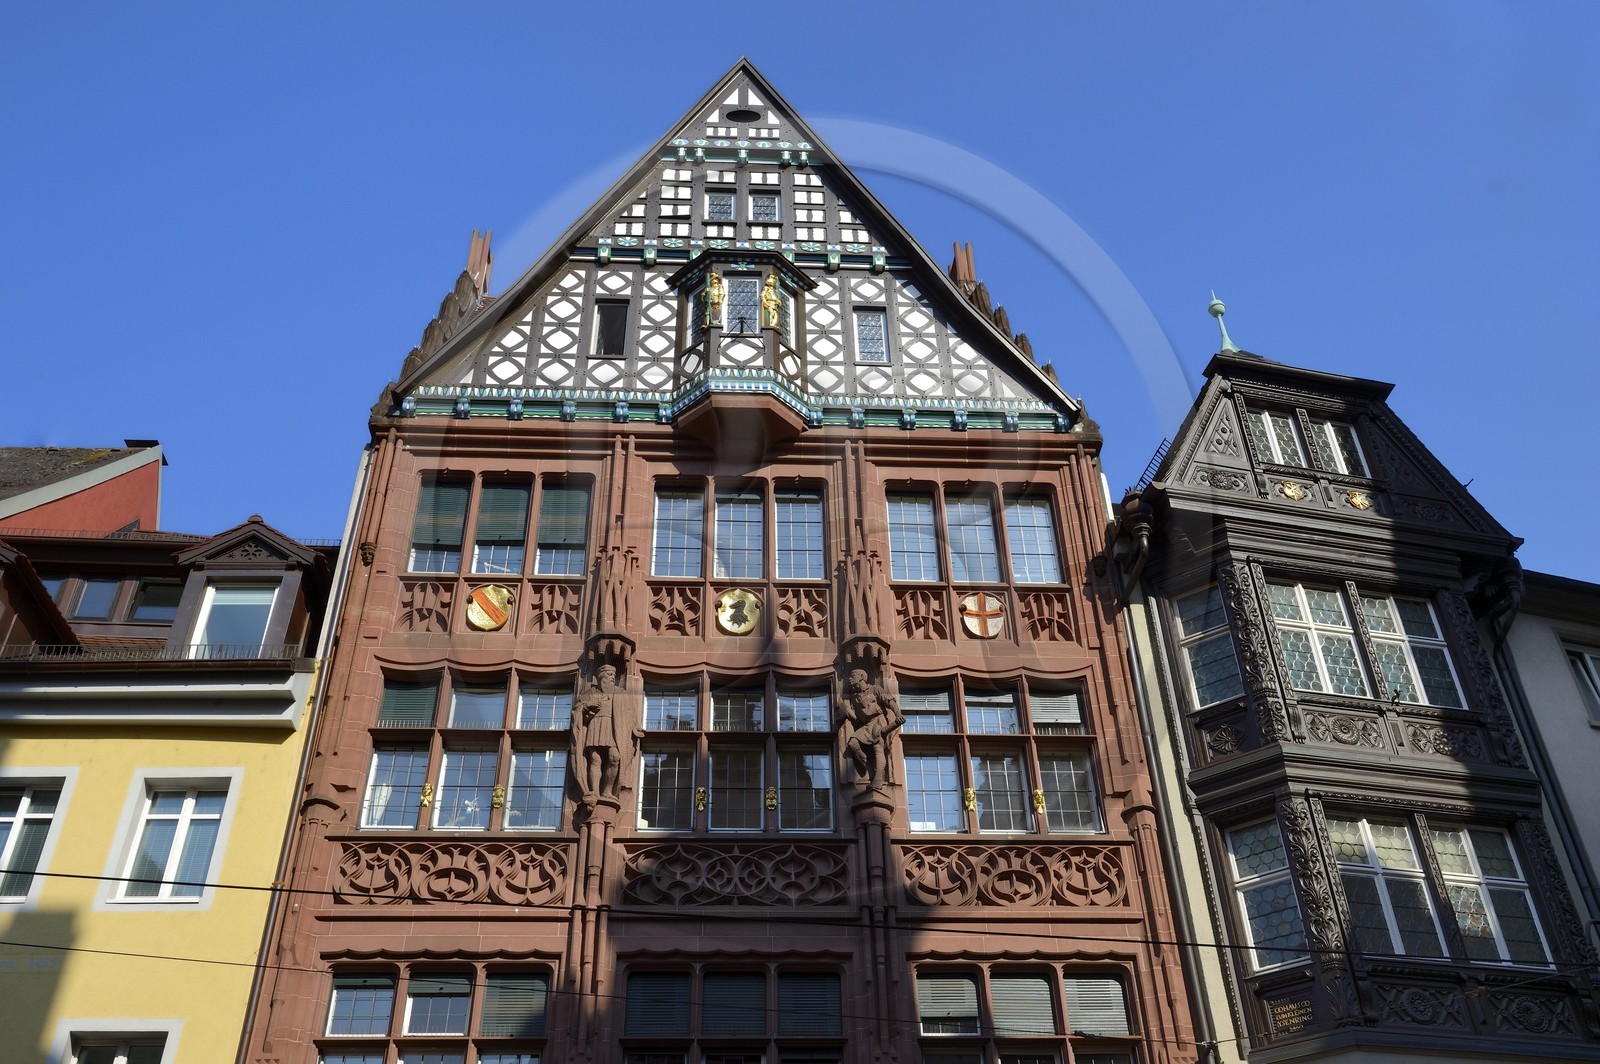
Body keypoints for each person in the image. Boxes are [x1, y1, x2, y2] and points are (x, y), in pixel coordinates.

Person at [841, 667, 903, 787]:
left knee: (877, 747)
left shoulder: (875, 689)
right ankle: (867, 764)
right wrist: (847, 712)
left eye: (853, 676)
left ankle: (878, 778)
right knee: (853, 743)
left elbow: (890, 701)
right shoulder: (855, 698)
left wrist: (898, 714)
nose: (849, 679)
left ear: (861, 678)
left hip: (878, 721)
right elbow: (857, 719)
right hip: (865, 725)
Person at [575, 664, 624, 800]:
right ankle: (595, 792)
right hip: (595, 725)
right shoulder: (590, 693)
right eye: (609, 675)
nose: (612, 677)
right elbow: (578, 711)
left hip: (613, 726)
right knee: (596, 759)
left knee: (615, 757)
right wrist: (587, 706)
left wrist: (635, 726)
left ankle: (607, 791)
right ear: (602, 676)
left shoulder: (619, 692)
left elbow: (628, 712)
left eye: (613, 675)